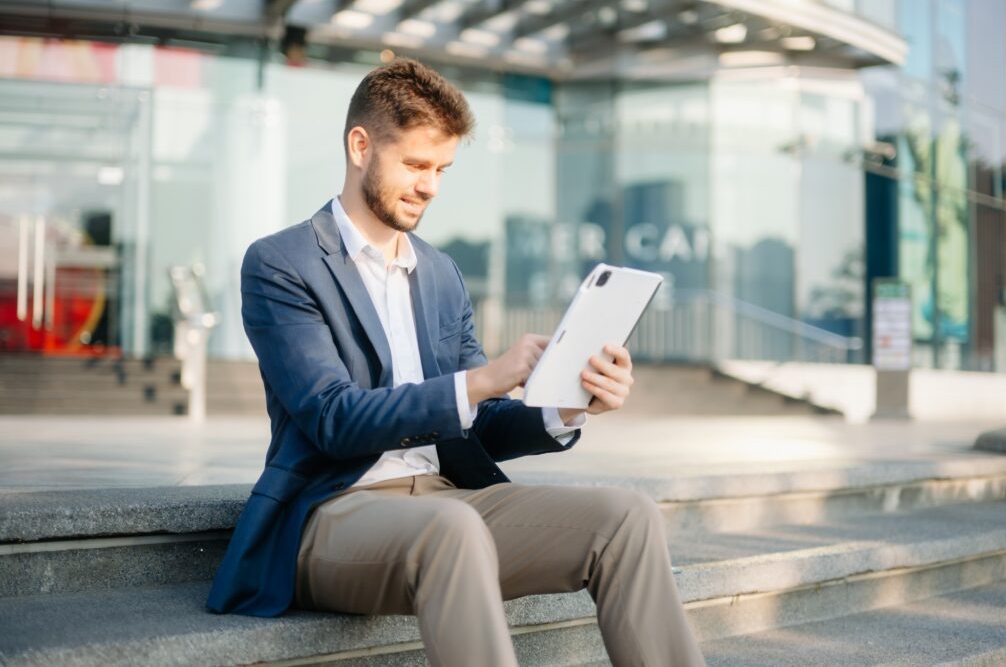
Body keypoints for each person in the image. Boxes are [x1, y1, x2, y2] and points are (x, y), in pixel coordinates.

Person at [206, 58, 705, 667]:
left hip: (447, 499)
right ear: (360, 146)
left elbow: (481, 423)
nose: (430, 186)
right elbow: (332, 419)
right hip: (331, 513)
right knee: (453, 528)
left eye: (442, 169)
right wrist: (481, 379)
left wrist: (568, 403)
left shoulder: (440, 273)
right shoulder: (283, 263)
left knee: (626, 516)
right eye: (416, 165)